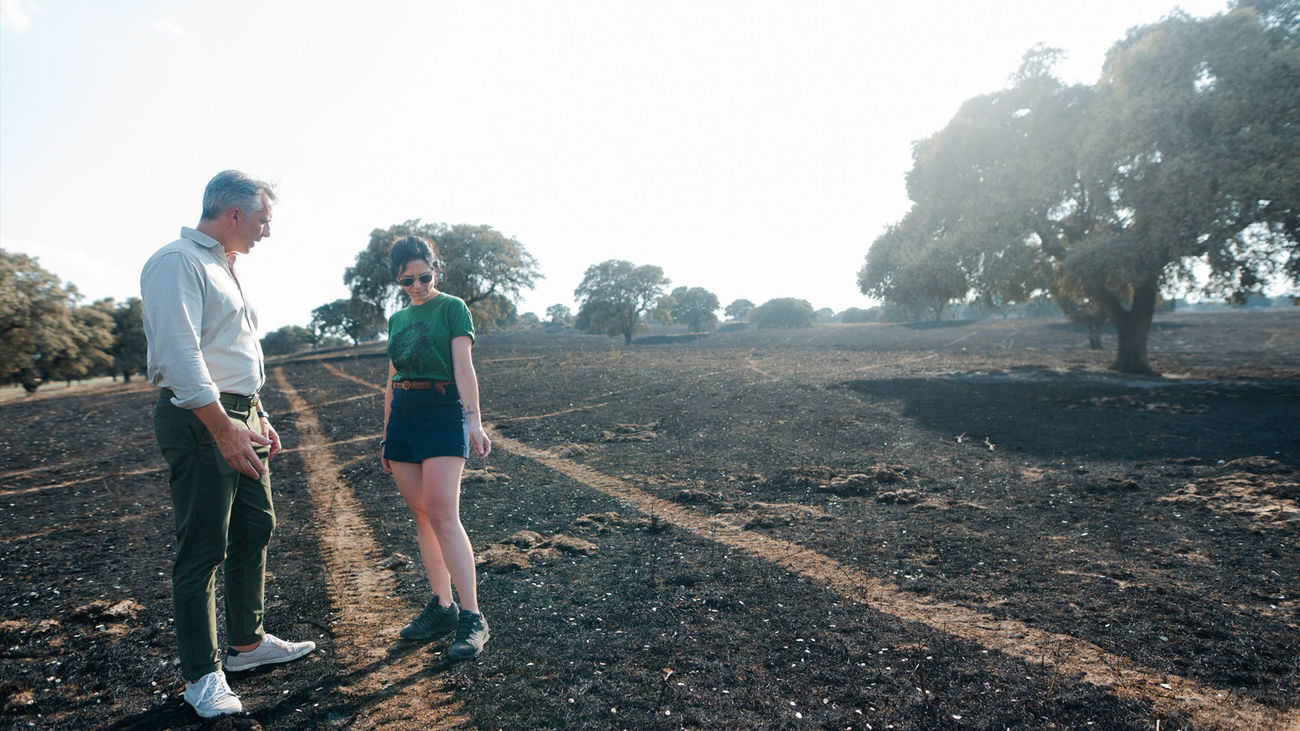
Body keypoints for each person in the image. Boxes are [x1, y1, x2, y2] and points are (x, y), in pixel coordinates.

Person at [141, 170, 315, 719]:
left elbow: (232, 352)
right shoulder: (177, 262)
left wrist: (256, 413)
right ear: (235, 214)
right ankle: (202, 675)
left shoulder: (222, 266)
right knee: (203, 550)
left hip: (241, 417)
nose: (268, 231)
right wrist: (223, 426)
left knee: (255, 528)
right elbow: (180, 354)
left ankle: (246, 644)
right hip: (202, 421)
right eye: (264, 220)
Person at [380, 235, 492, 660]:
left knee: (444, 515)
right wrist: (387, 433)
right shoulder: (397, 320)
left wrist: (474, 422)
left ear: (435, 270)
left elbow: (464, 367)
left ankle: (473, 617)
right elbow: (391, 380)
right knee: (422, 516)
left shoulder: (452, 308)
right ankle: (442, 606)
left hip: (443, 412)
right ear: (398, 279)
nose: (418, 285)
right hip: (405, 416)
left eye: (424, 276)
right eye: (408, 280)